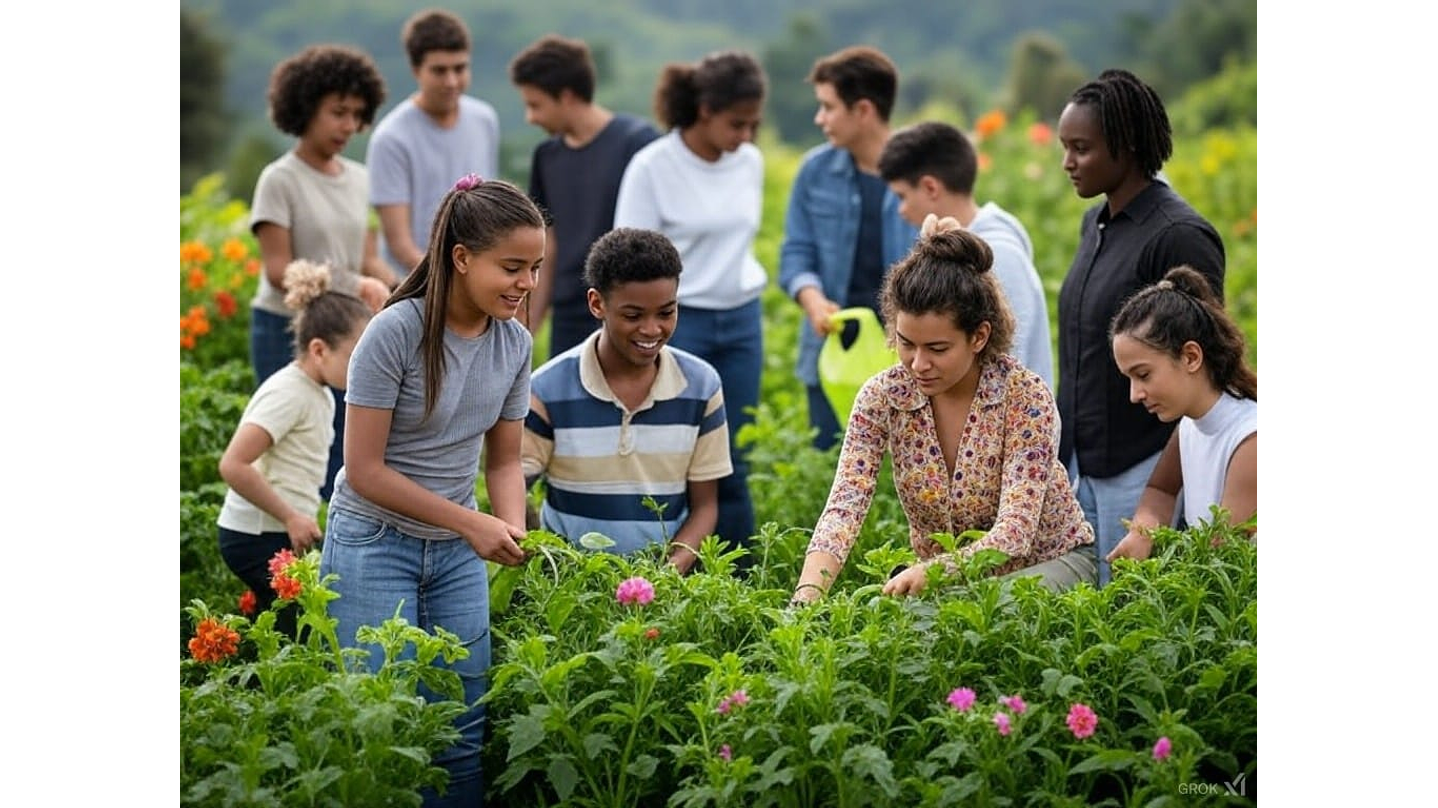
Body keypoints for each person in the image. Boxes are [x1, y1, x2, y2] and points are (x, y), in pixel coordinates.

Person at [320, 175, 540, 807]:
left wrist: (509, 523)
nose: (526, 284)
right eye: (512, 267)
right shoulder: (395, 332)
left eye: (535, 268)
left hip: (455, 555)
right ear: (462, 258)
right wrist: (470, 525)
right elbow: (364, 470)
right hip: (372, 541)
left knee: (461, 726)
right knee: (381, 723)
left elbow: (503, 461)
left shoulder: (514, 342)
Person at [791, 217, 1096, 606]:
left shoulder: (1024, 397)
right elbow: (846, 503)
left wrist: (933, 571)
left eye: (937, 349)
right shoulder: (884, 397)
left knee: (963, 616)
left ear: (979, 337)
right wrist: (806, 597)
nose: (918, 364)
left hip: (1049, 562)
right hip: (949, 577)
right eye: (905, 344)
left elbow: (1016, 533)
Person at [1056, 68, 1225, 586]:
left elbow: (1202, 373)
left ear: (1125, 146)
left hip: (1144, 466)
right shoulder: (1098, 224)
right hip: (1083, 465)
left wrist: (1159, 492)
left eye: (1081, 149)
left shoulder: (1179, 236)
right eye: (1064, 147)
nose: (1067, 163)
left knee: (1132, 616)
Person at [613, 50, 766, 559]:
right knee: (672, 452)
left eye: (753, 124)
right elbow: (627, 256)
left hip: (741, 318)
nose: (746, 136)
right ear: (704, 109)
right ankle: (661, 567)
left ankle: (740, 577)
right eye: (736, 123)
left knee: (732, 453)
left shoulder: (750, 162)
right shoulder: (654, 166)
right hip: (682, 320)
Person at [522, 228, 732, 571]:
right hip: (570, 587)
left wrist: (667, 573)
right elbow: (514, 487)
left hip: (662, 588)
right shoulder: (546, 389)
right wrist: (550, 562)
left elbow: (705, 506)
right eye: (633, 316)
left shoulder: (701, 386)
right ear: (596, 304)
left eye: (666, 313)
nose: (651, 329)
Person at [249, 44, 393, 500]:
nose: (348, 126)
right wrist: (356, 283)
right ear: (305, 108)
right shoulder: (280, 179)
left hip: (345, 331)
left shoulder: (359, 177)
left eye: (356, 114)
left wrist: (400, 288)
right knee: (289, 443)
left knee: (341, 443)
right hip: (284, 329)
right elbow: (278, 270)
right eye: (337, 112)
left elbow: (368, 258)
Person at [217, 260, 371, 638]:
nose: (364, 368)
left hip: (276, 530)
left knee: (281, 629)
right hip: (255, 535)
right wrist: (290, 516)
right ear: (319, 350)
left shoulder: (320, 393)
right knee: (295, 631)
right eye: (356, 358)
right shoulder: (288, 392)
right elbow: (233, 464)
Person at [779, 46, 920, 450]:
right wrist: (812, 298)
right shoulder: (815, 172)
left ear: (862, 110)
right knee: (830, 468)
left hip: (908, 358)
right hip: (833, 356)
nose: (819, 118)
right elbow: (796, 252)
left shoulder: (920, 173)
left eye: (828, 107)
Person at [508, 34, 661, 359]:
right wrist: (524, 332)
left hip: (624, 313)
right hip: (569, 317)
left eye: (535, 105)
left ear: (566, 96)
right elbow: (547, 246)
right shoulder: (547, 156)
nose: (530, 118)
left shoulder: (638, 143)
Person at [879, 120, 1053, 389]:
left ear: (930, 187)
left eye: (902, 196)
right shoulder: (972, 246)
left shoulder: (998, 256)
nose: (900, 210)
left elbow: (1009, 359)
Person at [1106, 265, 1256, 564]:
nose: (1134, 395)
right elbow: (1160, 489)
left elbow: (1221, 557)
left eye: (1144, 374)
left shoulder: (1248, 439)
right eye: (1130, 379)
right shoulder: (1191, 423)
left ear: (1190, 357)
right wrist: (1143, 530)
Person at [367, 9, 501, 279]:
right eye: (439, 71)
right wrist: (453, 277)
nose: (451, 81)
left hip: (473, 281)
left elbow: (490, 210)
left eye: (460, 68)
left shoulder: (484, 120)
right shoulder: (391, 138)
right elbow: (400, 244)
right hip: (417, 285)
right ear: (416, 70)